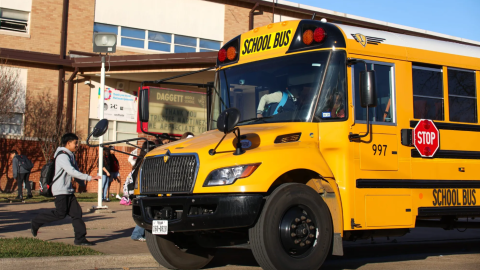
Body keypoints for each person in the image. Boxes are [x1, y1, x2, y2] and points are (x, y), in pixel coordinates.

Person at [31, 133, 101, 246]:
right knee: (60, 214)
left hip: (68, 190)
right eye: (75, 143)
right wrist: (89, 177)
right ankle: (36, 221)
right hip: (60, 190)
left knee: (77, 213)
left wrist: (82, 183)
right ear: (68, 143)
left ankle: (80, 239)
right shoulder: (62, 156)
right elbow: (71, 171)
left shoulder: (70, 155)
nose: (77, 145)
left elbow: (75, 170)